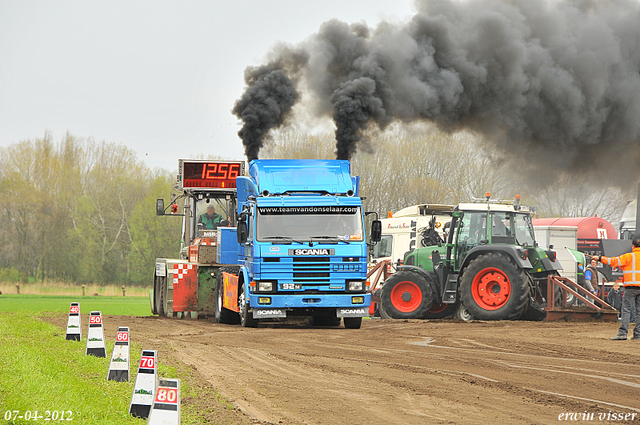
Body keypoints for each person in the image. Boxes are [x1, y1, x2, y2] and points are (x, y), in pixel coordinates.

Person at [593, 238, 640, 341]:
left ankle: (623, 333)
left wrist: (599, 258)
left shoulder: (628, 256)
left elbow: (612, 261)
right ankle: (638, 335)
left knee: (626, 309)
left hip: (630, 287)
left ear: (633, 246)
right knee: (639, 311)